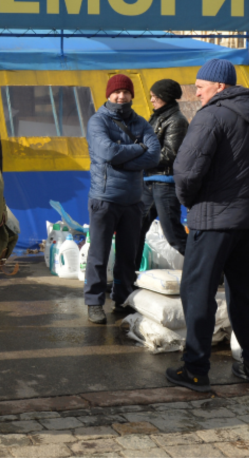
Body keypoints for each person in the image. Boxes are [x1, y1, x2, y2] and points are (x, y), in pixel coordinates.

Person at [168, 59, 249, 392]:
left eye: (201, 88)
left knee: (198, 292)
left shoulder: (211, 116)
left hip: (213, 218)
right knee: (245, 293)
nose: (198, 94)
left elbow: (186, 171)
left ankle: (195, 370)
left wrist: (191, 201)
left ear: (219, 86)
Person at [84, 75, 160, 325]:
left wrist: (123, 156)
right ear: (108, 94)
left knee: (129, 255)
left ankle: (122, 297)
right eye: (116, 92)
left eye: (126, 92)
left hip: (133, 200)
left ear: (132, 95)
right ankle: (94, 303)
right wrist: (139, 148)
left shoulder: (140, 122)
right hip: (104, 198)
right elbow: (108, 152)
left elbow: (155, 156)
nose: (121, 96)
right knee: (98, 254)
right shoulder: (98, 121)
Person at [138, 79, 190, 266]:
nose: (151, 100)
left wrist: (140, 155)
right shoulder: (157, 116)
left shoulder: (177, 120)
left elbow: (170, 154)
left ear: (164, 97)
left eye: (154, 97)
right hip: (149, 182)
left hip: (165, 183)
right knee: (136, 229)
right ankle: (130, 275)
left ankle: (210, 272)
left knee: (174, 235)